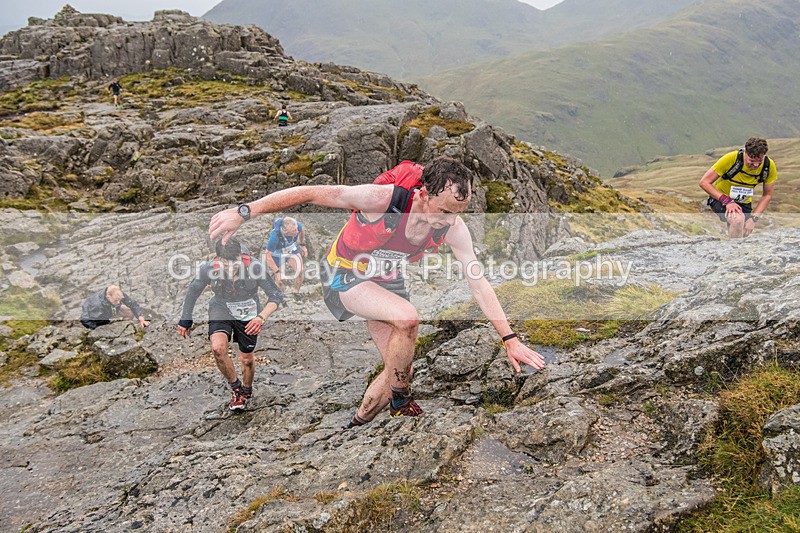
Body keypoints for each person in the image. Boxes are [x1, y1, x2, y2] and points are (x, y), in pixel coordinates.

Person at [209, 156, 546, 427]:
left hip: (384, 280)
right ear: (423, 194)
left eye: (458, 213)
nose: (450, 221)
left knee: (400, 365)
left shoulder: (453, 229)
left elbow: (478, 282)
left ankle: (358, 422)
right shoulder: (382, 201)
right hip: (342, 274)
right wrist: (245, 211)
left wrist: (510, 338)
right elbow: (312, 192)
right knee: (407, 317)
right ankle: (401, 402)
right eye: (444, 212)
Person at [178, 237, 284, 411]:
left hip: (249, 310)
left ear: (240, 257)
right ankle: (236, 389)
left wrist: (261, 317)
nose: (230, 267)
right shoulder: (209, 268)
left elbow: (276, 296)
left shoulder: (255, 267)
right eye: (225, 263)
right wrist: (186, 318)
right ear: (218, 259)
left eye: (234, 262)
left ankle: (247, 389)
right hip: (221, 306)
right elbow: (193, 291)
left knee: (247, 359)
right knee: (218, 348)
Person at [700, 137, 778, 239]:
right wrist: (727, 201)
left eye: (759, 161)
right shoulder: (731, 159)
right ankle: (734, 252)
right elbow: (704, 182)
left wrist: (753, 219)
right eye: (752, 161)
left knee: (744, 231)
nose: (755, 165)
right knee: (738, 220)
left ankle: (733, 248)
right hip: (721, 198)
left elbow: (767, 195)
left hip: (744, 203)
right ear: (745, 152)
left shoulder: (768, 166)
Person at [264, 216, 307, 301]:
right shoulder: (274, 237)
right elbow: (268, 256)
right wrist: (277, 271)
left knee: (300, 271)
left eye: (296, 229)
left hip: (291, 249)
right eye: (294, 231)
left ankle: (296, 293)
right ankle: (282, 297)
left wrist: (302, 244)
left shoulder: (297, 226)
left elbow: (302, 229)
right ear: (285, 231)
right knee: (279, 280)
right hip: (277, 253)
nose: (297, 232)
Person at [80, 285, 150, 330]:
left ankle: (124, 328)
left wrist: (141, 318)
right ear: (108, 297)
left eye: (120, 300)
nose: (118, 302)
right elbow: (84, 319)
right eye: (116, 300)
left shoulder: (116, 293)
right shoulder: (96, 305)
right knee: (104, 325)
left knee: (128, 311)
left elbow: (133, 304)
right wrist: (96, 329)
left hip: (111, 309)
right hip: (100, 315)